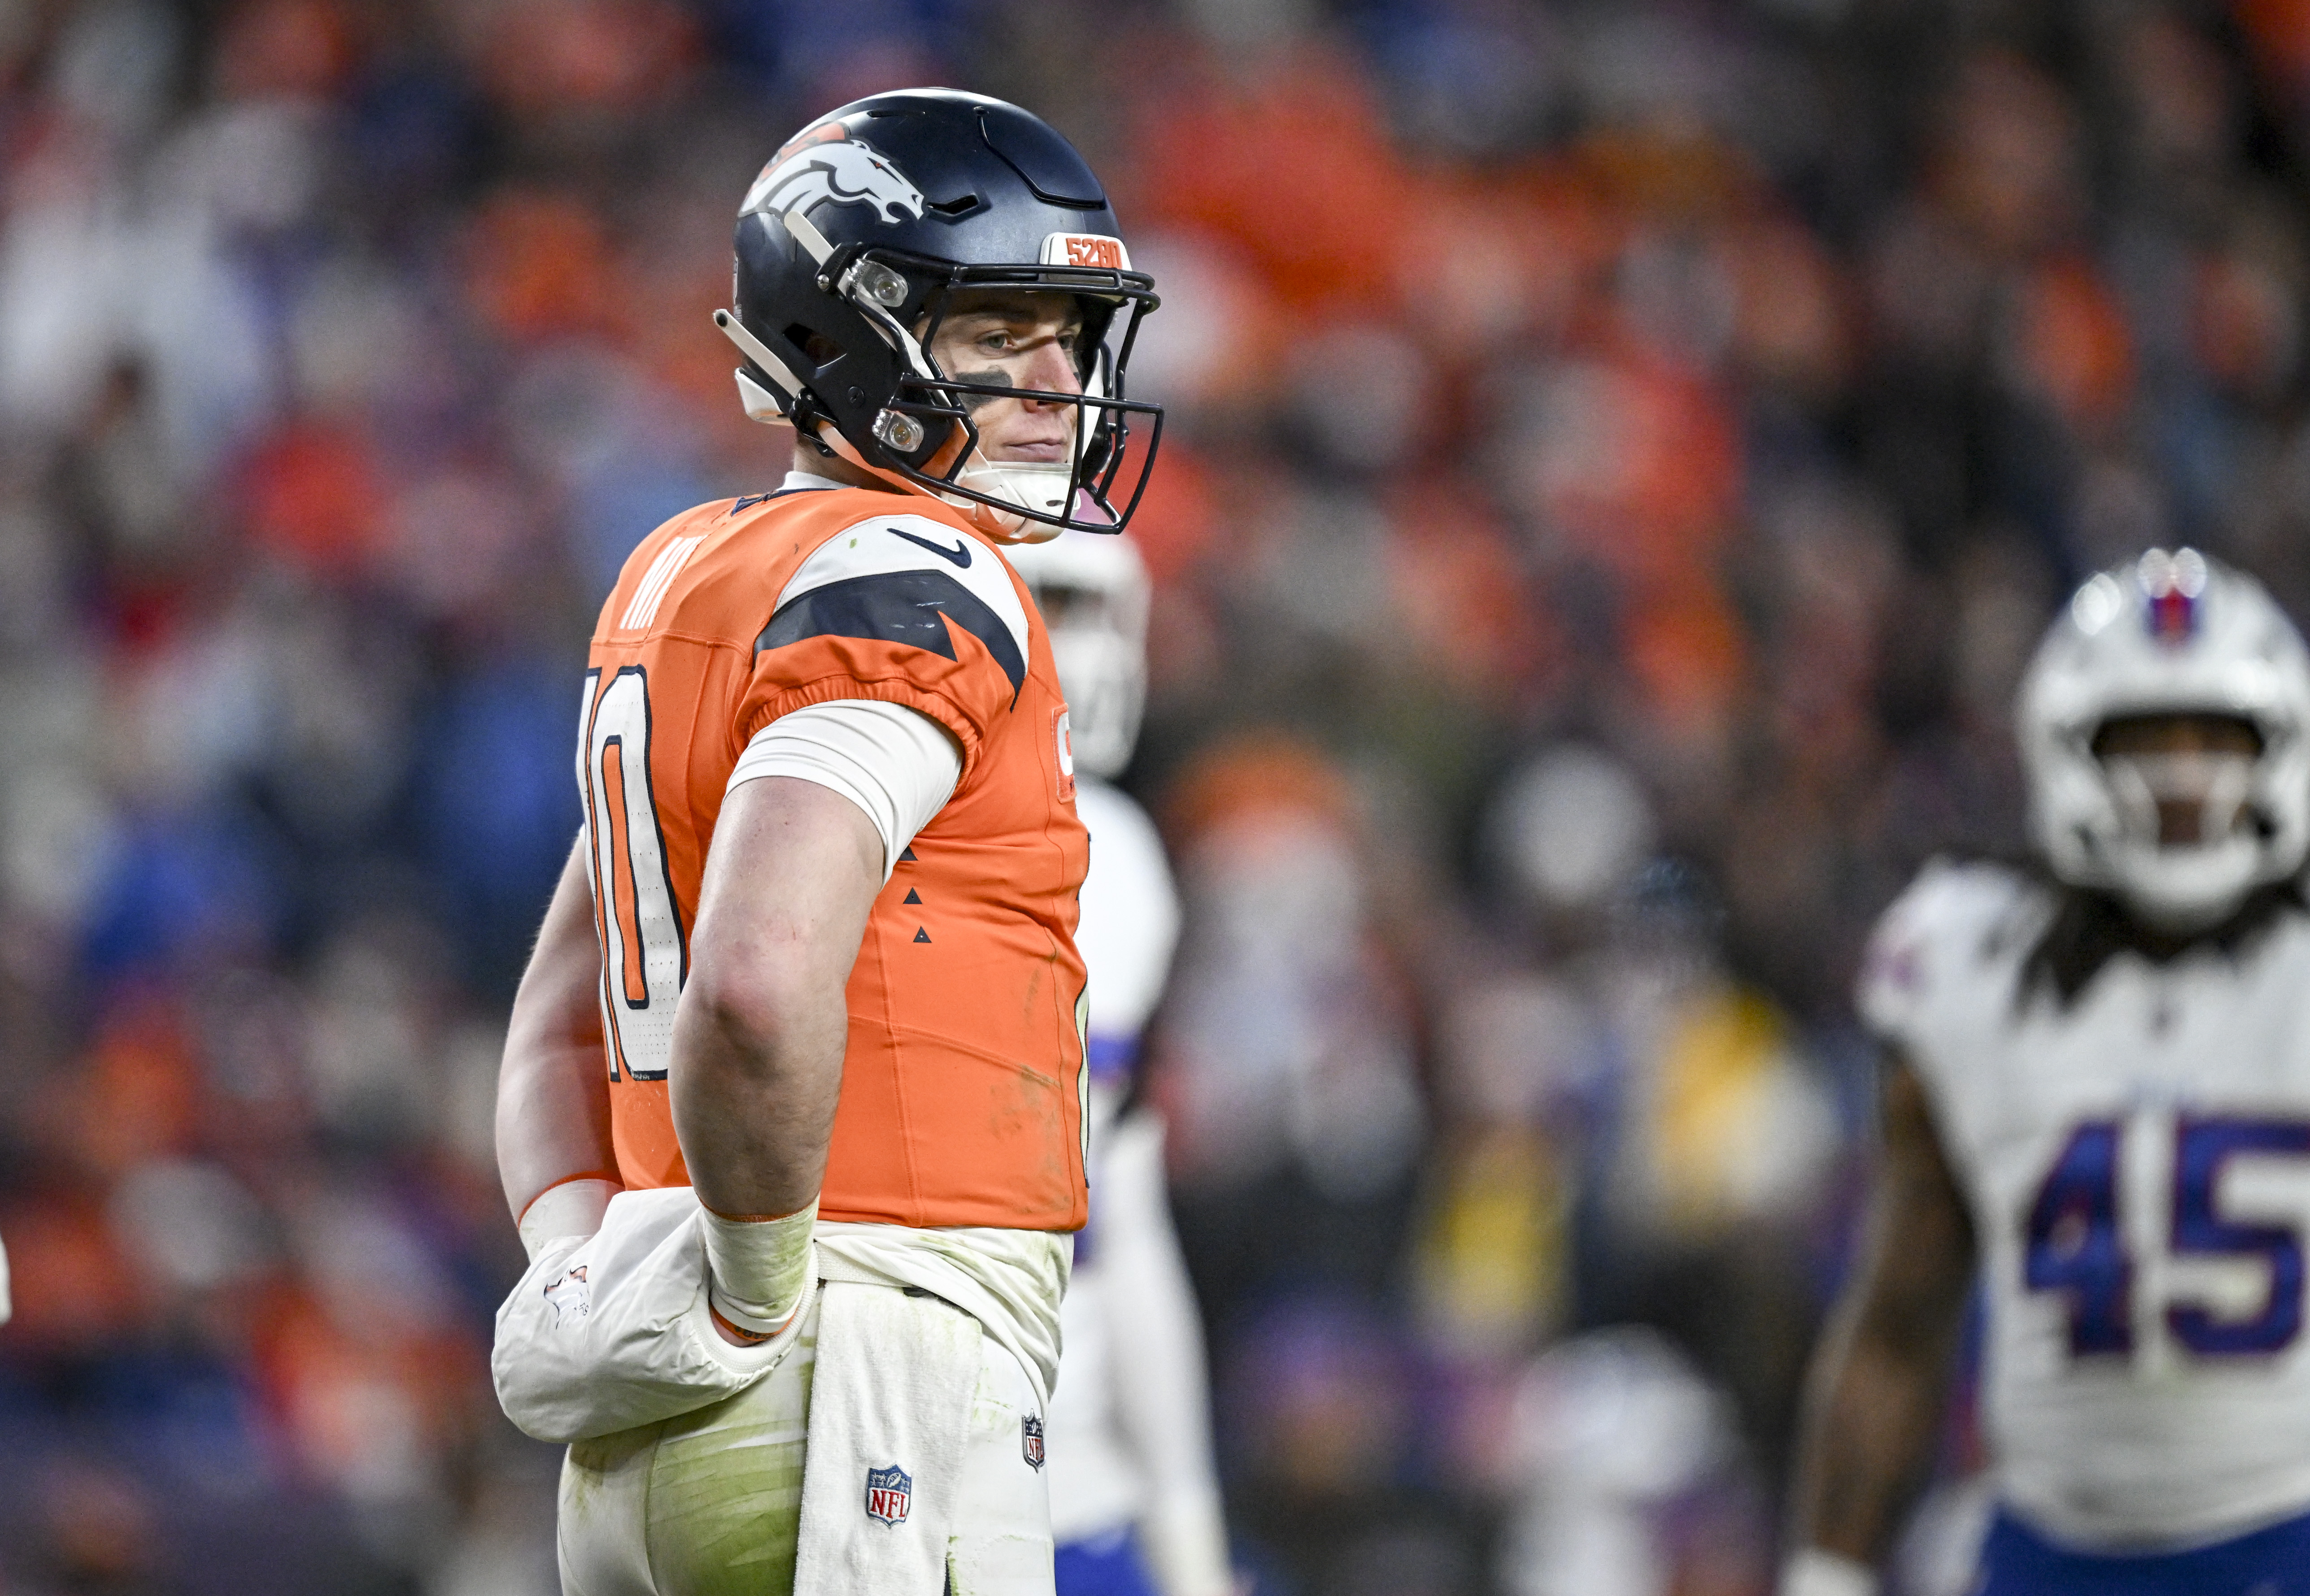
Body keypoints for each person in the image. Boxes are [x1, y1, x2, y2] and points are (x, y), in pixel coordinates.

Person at [487, 88, 1162, 1596]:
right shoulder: (923, 567)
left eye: (1073, 332)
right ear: (845, 337)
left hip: (662, 1445)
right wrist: (742, 1290)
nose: (1062, 381)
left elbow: (549, 1032)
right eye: (1001, 333)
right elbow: (754, 975)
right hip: (863, 1365)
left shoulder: (679, 567)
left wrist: (595, 1275)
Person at [1783, 548, 2310, 1596]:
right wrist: (1826, 1574)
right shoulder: (1969, 973)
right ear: (2065, 750)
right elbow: (1900, 1321)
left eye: (2215, 738)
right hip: (2050, 1551)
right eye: (2146, 743)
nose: (2185, 780)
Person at [1001, 530, 1236, 1596]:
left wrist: (1186, 1522)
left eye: (1096, 609)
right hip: (884, 1458)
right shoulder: (866, 829)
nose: (1080, 648)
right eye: (1050, 600)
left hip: (1075, 1478)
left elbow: (1127, 1229)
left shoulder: (1125, 863)